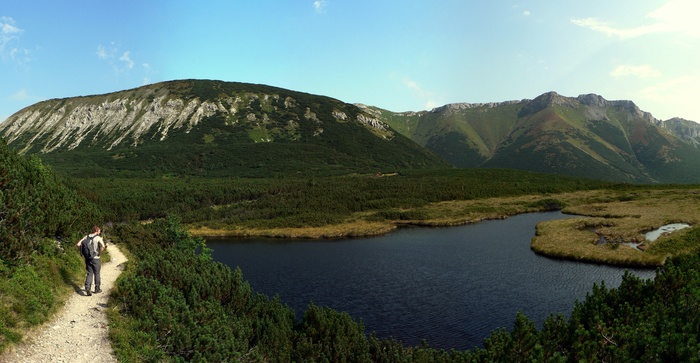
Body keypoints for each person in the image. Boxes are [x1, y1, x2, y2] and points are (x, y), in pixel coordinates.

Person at [76, 226, 106, 296]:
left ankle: (87, 288)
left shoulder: (86, 237)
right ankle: (97, 289)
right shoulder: (98, 238)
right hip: (96, 258)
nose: (99, 232)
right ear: (97, 230)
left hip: (88, 258)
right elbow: (103, 246)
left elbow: (78, 244)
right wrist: (99, 253)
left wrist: (83, 252)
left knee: (89, 273)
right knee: (97, 273)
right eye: (99, 231)